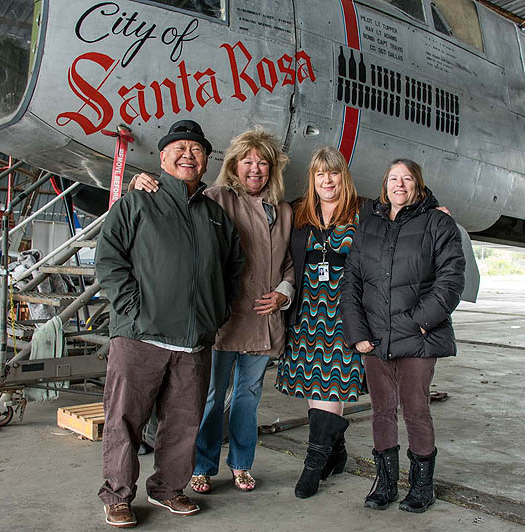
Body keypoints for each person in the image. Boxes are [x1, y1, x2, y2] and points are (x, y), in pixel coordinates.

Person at [95, 120, 244, 528]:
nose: (187, 155)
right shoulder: (138, 202)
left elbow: (235, 267)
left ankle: (168, 489)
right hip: (140, 336)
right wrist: (132, 308)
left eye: (196, 150)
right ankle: (118, 495)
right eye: (178, 148)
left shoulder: (216, 215)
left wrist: (218, 312)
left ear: (206, 161)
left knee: (183, 424)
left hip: (194, 342)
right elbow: (109, 259)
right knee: (125, 419)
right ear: (162, 157)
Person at [130, 127, 294, 494]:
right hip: (225, 318)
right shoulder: (215, 197)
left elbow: (288, 263)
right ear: (234, 166)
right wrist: (141, 182)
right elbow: (175, 203)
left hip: (265, 320)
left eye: (262, 163)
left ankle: (241, 464)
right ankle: (202, 465)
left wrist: (284, 292)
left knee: (248, 399)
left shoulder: (283, 211)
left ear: (272, 170)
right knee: (211, 396)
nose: (255, 169)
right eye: (247, 162)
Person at [341, 159, 466, 513]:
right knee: (381, 412)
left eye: (407, 178)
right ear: (385, 185)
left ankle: (421, 485)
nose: (399, 184)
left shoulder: (438, 223)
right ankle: (385, 482)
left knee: (415, 410)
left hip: (418, 337)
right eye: (393, 178)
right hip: (375, 340)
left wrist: (421, 322)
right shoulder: (369, 225)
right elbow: (352, 281)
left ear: (418, 184)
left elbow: (452, 278)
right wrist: (358, 333)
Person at [275, 146, 368, 499]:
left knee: (334, 386)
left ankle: (312, 466)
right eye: (319, 174)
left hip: (345, 314)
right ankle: (337, 452)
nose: (326, 180)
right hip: (308, 315)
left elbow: (406, 203)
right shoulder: (299, 212)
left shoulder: (365, 211)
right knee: (317, 387)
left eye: (333, 173)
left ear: (343, 176)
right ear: (313, 179)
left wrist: (435, 208)